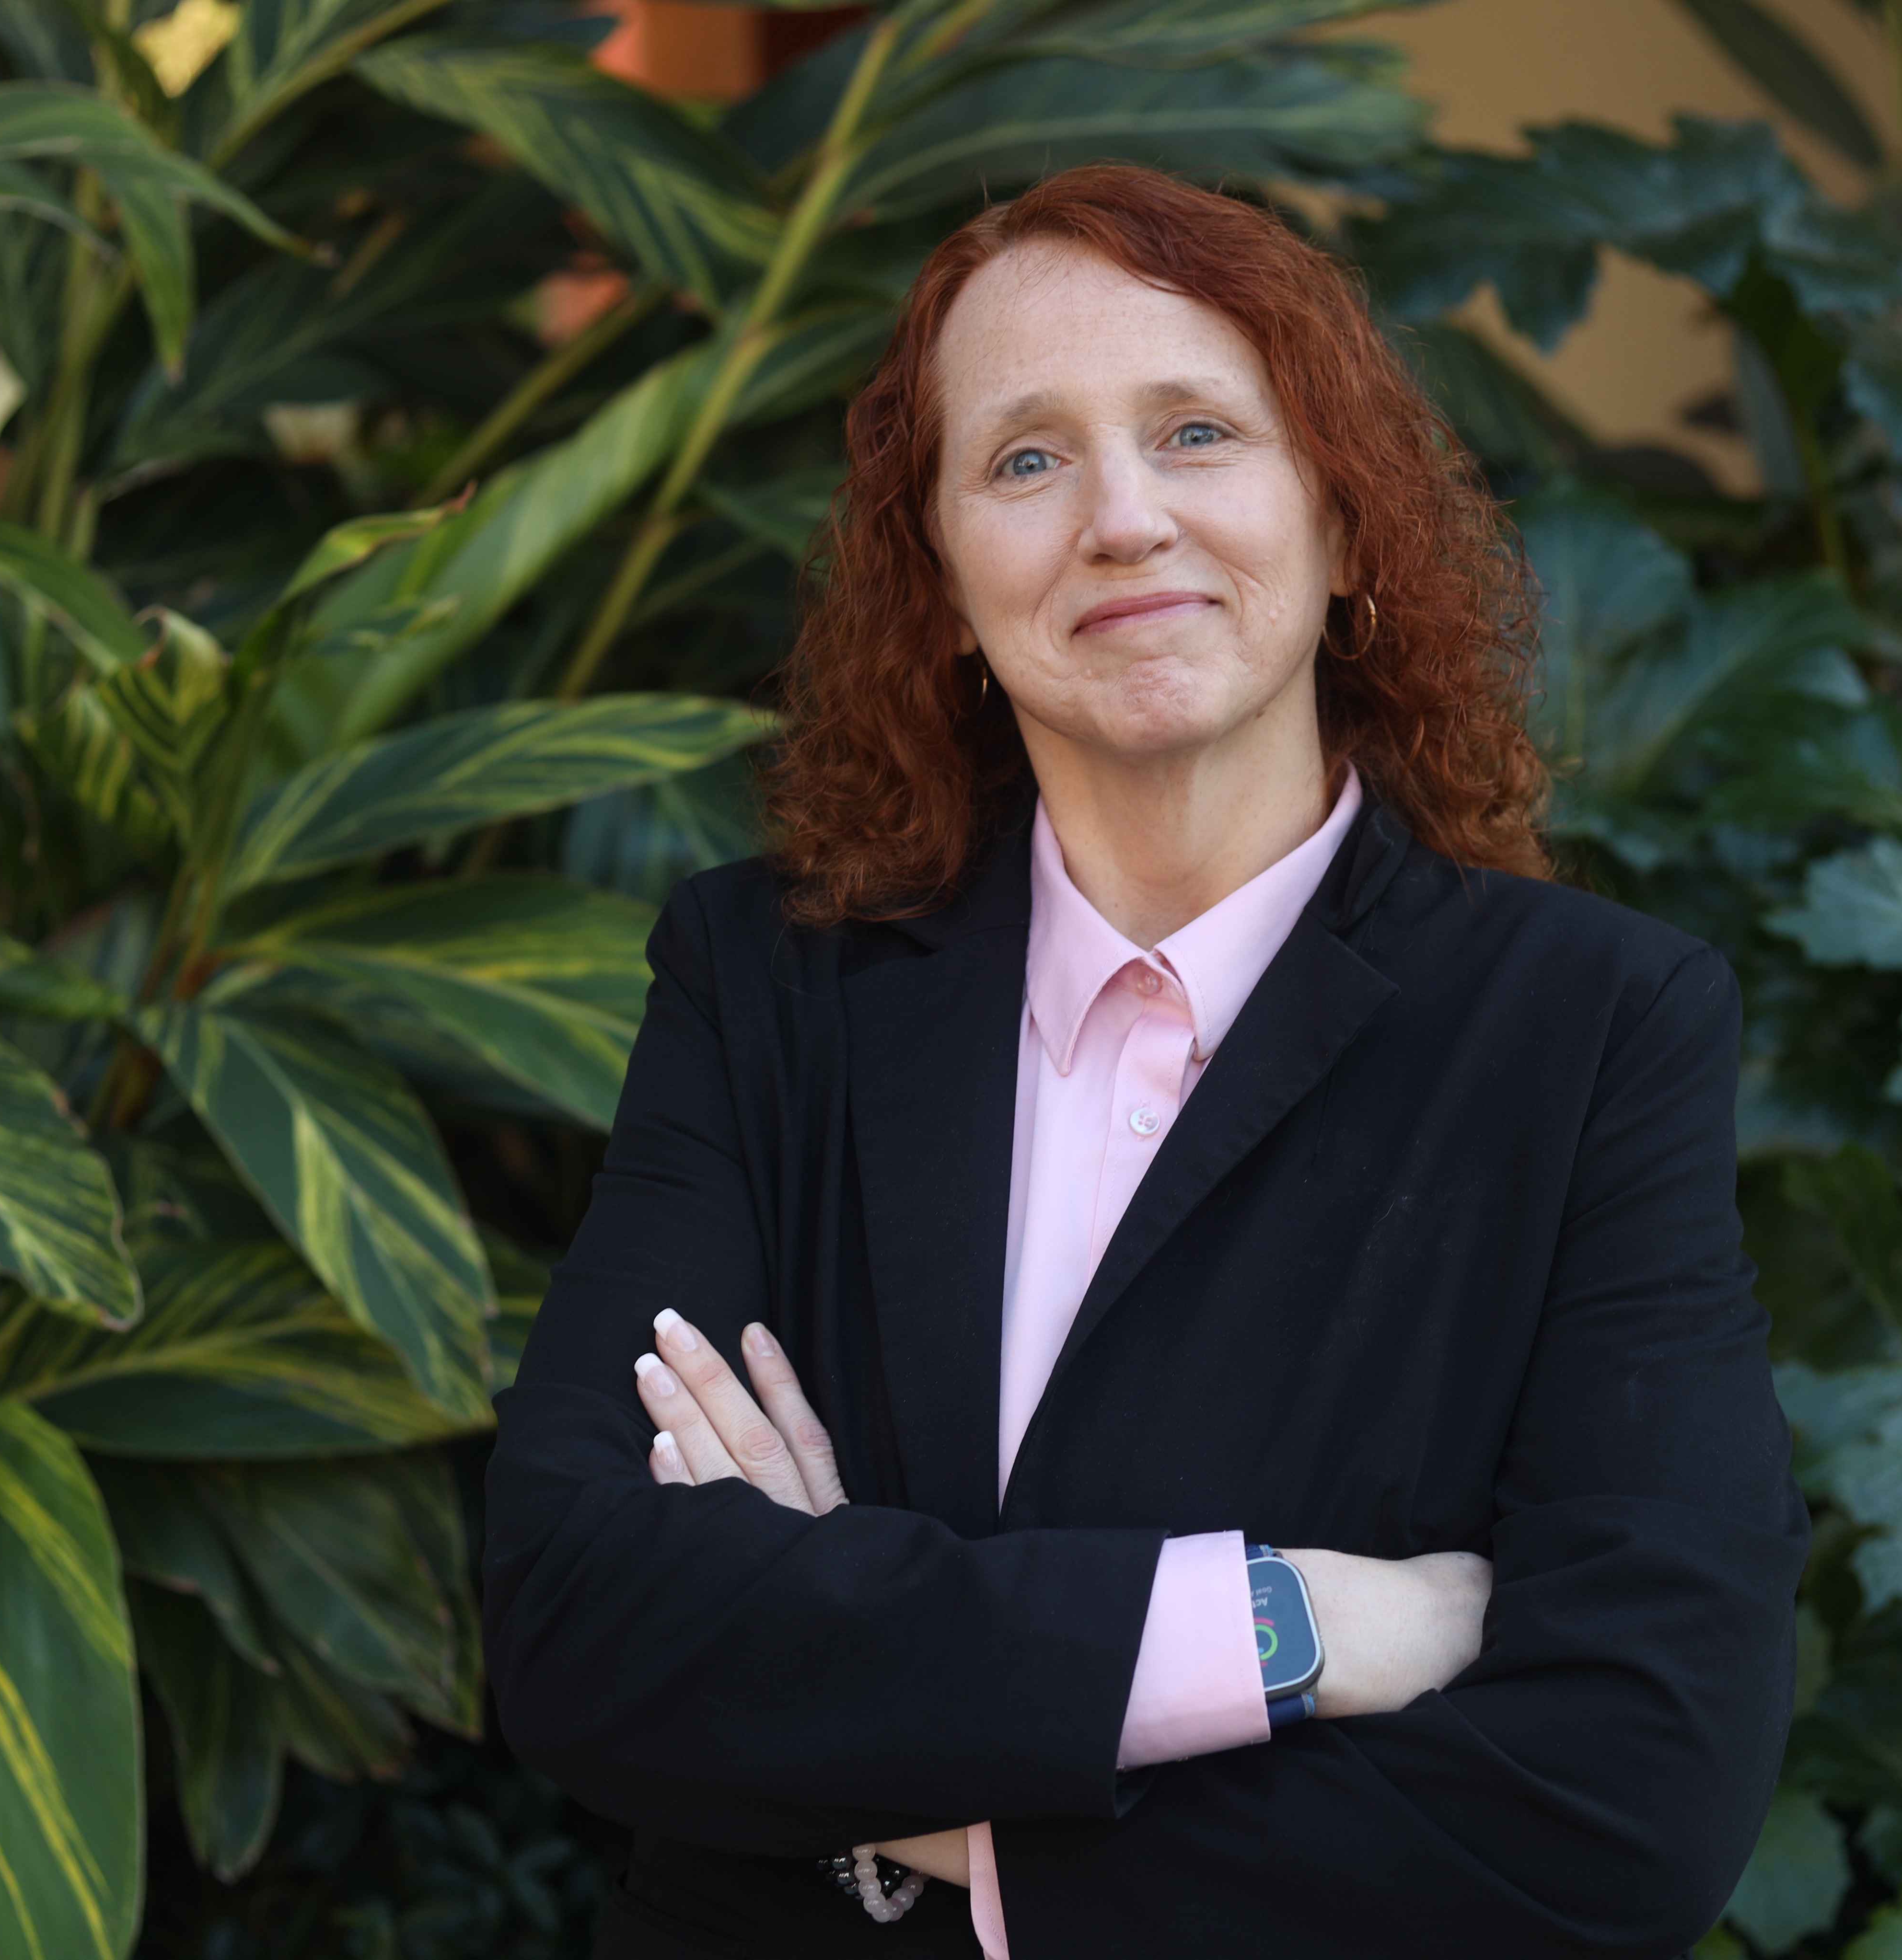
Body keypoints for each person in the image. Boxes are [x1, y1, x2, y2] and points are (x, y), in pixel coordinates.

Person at [484, 163, 1809, 1959]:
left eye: (1196, 432)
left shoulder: (1591, 1032)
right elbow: (578, 1619)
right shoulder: (767, 986)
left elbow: (1628, 1799)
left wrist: (895, 1770)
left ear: (1342, 522)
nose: (1121, 519)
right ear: (941, 585)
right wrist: (1285, 1630)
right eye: (1025, 459)